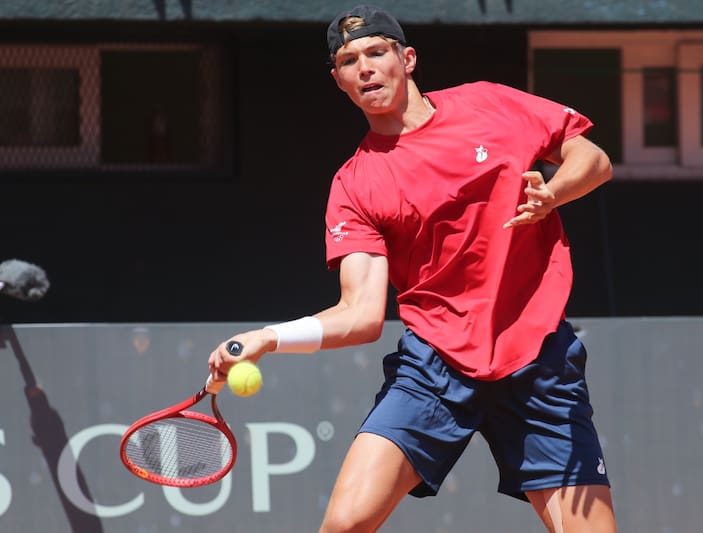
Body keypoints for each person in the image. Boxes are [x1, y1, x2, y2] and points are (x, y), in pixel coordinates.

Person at [209, 5, 617, 532]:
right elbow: (360, 315)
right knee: (344, 525)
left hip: (536, 358)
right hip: (435, 367)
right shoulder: (355, 185)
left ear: (407, 58)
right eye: (349, 61)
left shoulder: (491, 103)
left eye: (377, 52)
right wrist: (268, 338)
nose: (366, 68)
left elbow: (593, 160)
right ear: (339, 81)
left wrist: (552, 195)